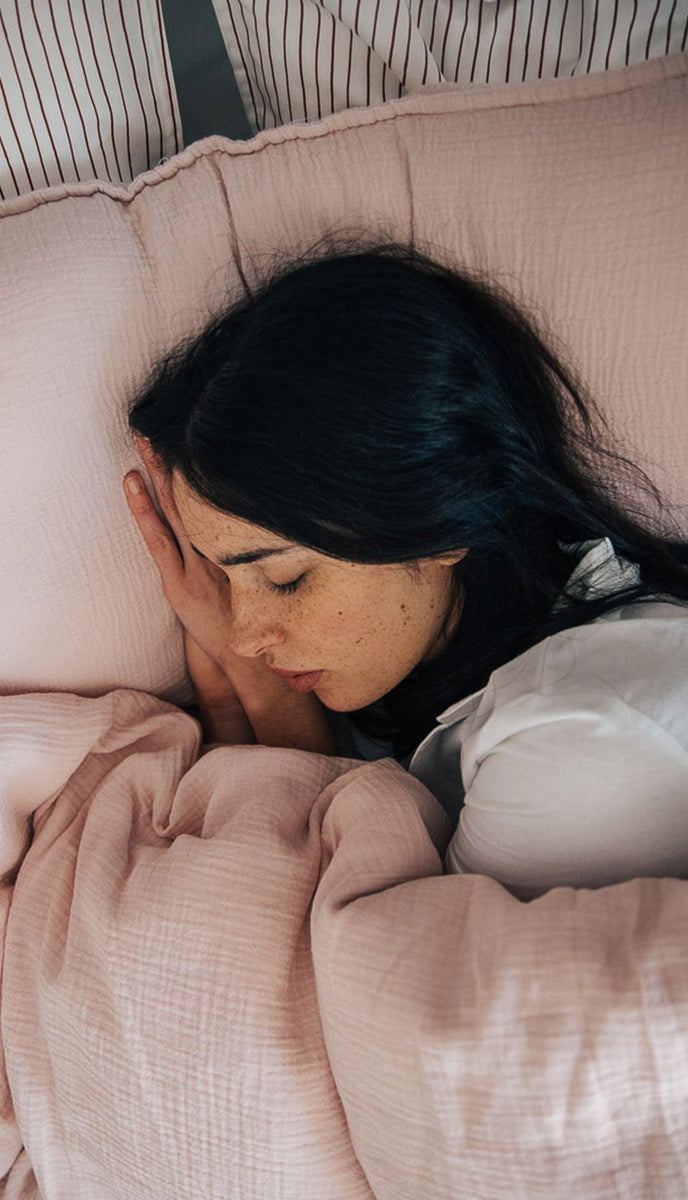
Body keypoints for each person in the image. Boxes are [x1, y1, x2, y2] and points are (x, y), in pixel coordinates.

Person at [123, 241, 688, 899]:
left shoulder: (582, 744)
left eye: (284, 578)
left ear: (441, 518)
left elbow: (382, 957)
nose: (242, 634)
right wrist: (239, 706)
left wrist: (270, 704)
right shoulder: (434, 653)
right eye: (224, 577)